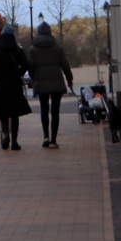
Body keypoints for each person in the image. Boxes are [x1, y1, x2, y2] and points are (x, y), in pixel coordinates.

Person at [28, 21, 74, 149]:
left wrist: (34, 78)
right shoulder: (58, 48)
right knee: (55, 111)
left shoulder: (33, 49)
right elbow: (65, 65)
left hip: (41, 83)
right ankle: (53, 139)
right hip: (56, 83)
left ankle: (45, 137)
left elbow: (30, 67)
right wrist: (69, 80)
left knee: (44, 110)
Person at [0, 24, 31, 150]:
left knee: (3, 112)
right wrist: (18, 74)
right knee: (14, 113)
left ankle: (5, 133)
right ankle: (14, 141)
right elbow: (25, 64)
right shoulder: (17, 51)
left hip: (1, 85)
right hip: (14, 86)